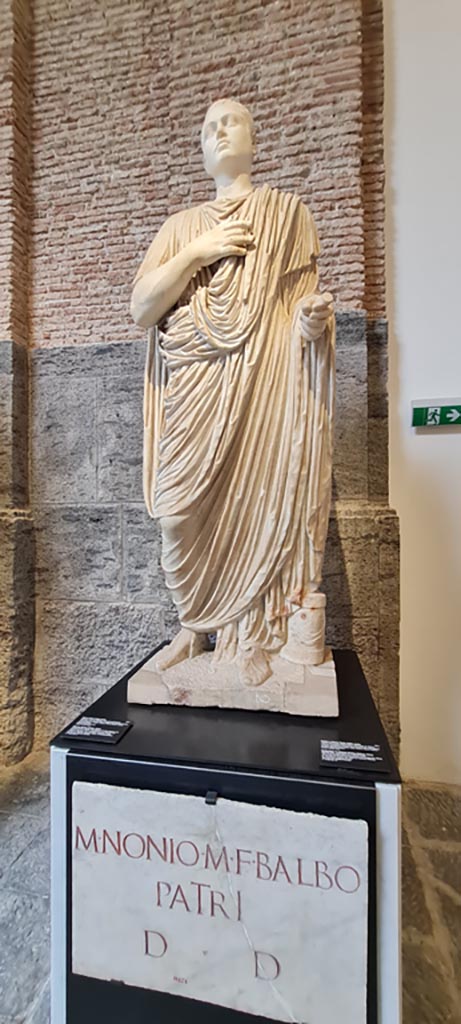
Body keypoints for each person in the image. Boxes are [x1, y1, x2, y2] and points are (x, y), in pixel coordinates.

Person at [131, 98, 335, 688]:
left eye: (232, 122)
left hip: (263, 389)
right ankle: (191, 625)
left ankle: (249, 635)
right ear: (201, 149)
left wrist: (313, 325)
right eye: (209, 128)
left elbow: (298, 309)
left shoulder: (288, 216)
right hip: (194, 389)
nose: (221, 132)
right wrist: (200, 251)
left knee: (261, 502)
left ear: (253, 135)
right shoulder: (180, 228)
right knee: (174, 513)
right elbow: (143, 307)